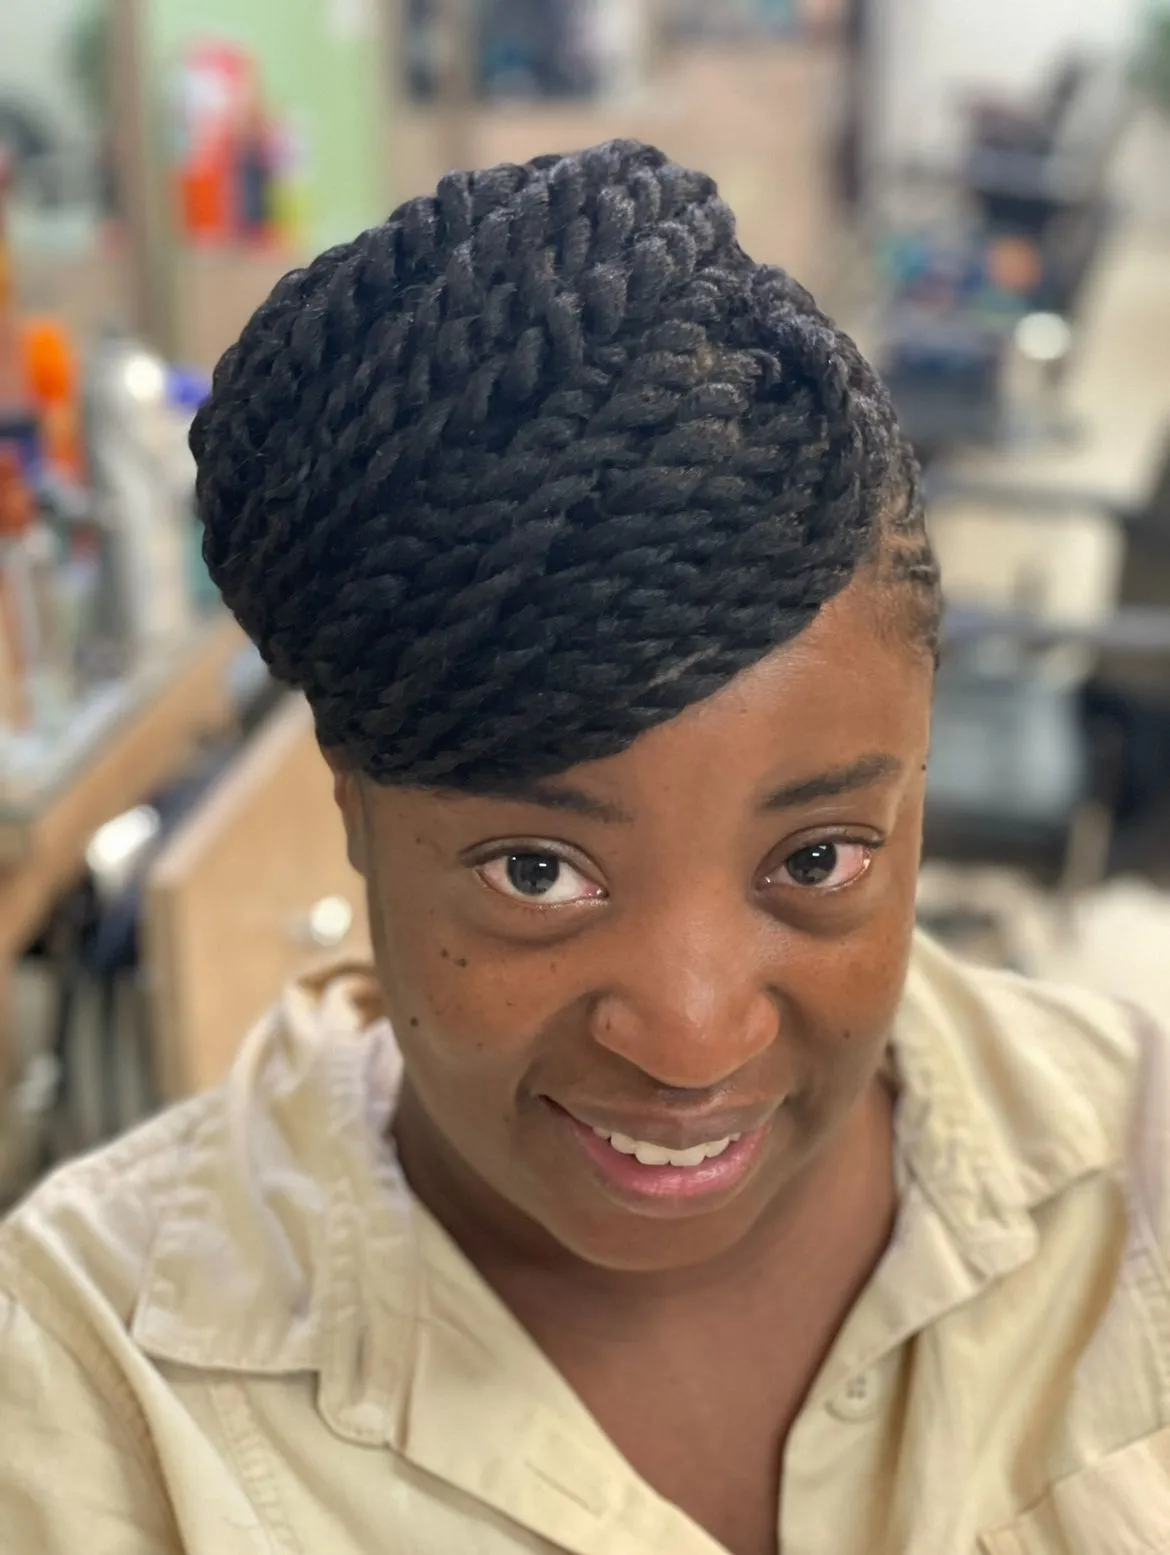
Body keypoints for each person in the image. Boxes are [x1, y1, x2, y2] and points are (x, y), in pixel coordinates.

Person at [0, 139, 1166, 1555]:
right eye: (537, 872)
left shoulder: (1135, 1182)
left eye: (817, 860)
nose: (691, 1038)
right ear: (353, 810)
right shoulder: (87, 1389)